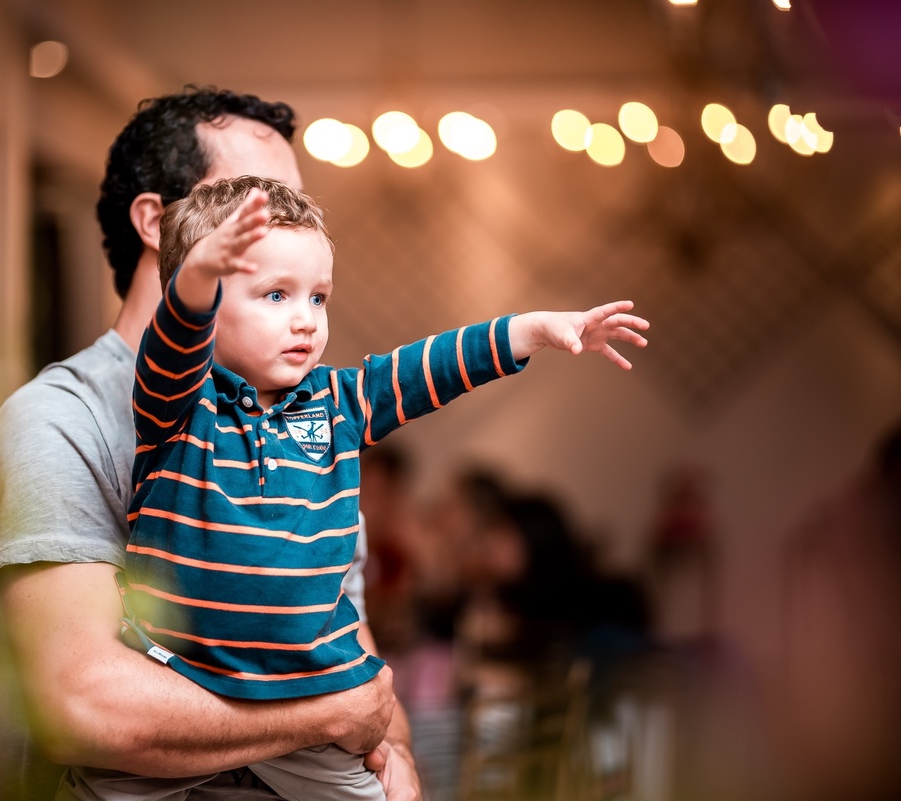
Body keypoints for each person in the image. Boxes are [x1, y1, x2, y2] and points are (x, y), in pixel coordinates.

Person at [92, 177, 649, 799]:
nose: (306, 319)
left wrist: (531, 330)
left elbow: (424, 368)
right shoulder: (180, 406)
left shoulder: (338, 402)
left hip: (309, 694)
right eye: (276, 294)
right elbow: (174, 340)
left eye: (319, 298)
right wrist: (197, 277)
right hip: (182, 690)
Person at [0, 86, 415, 801]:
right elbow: (81, 704)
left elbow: (360, 675)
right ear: (156, 221)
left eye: (293, 204)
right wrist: (324, 716)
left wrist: (398, 757)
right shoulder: (60, 421)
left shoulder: (306, 411)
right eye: (256, 200)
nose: (287, 228)